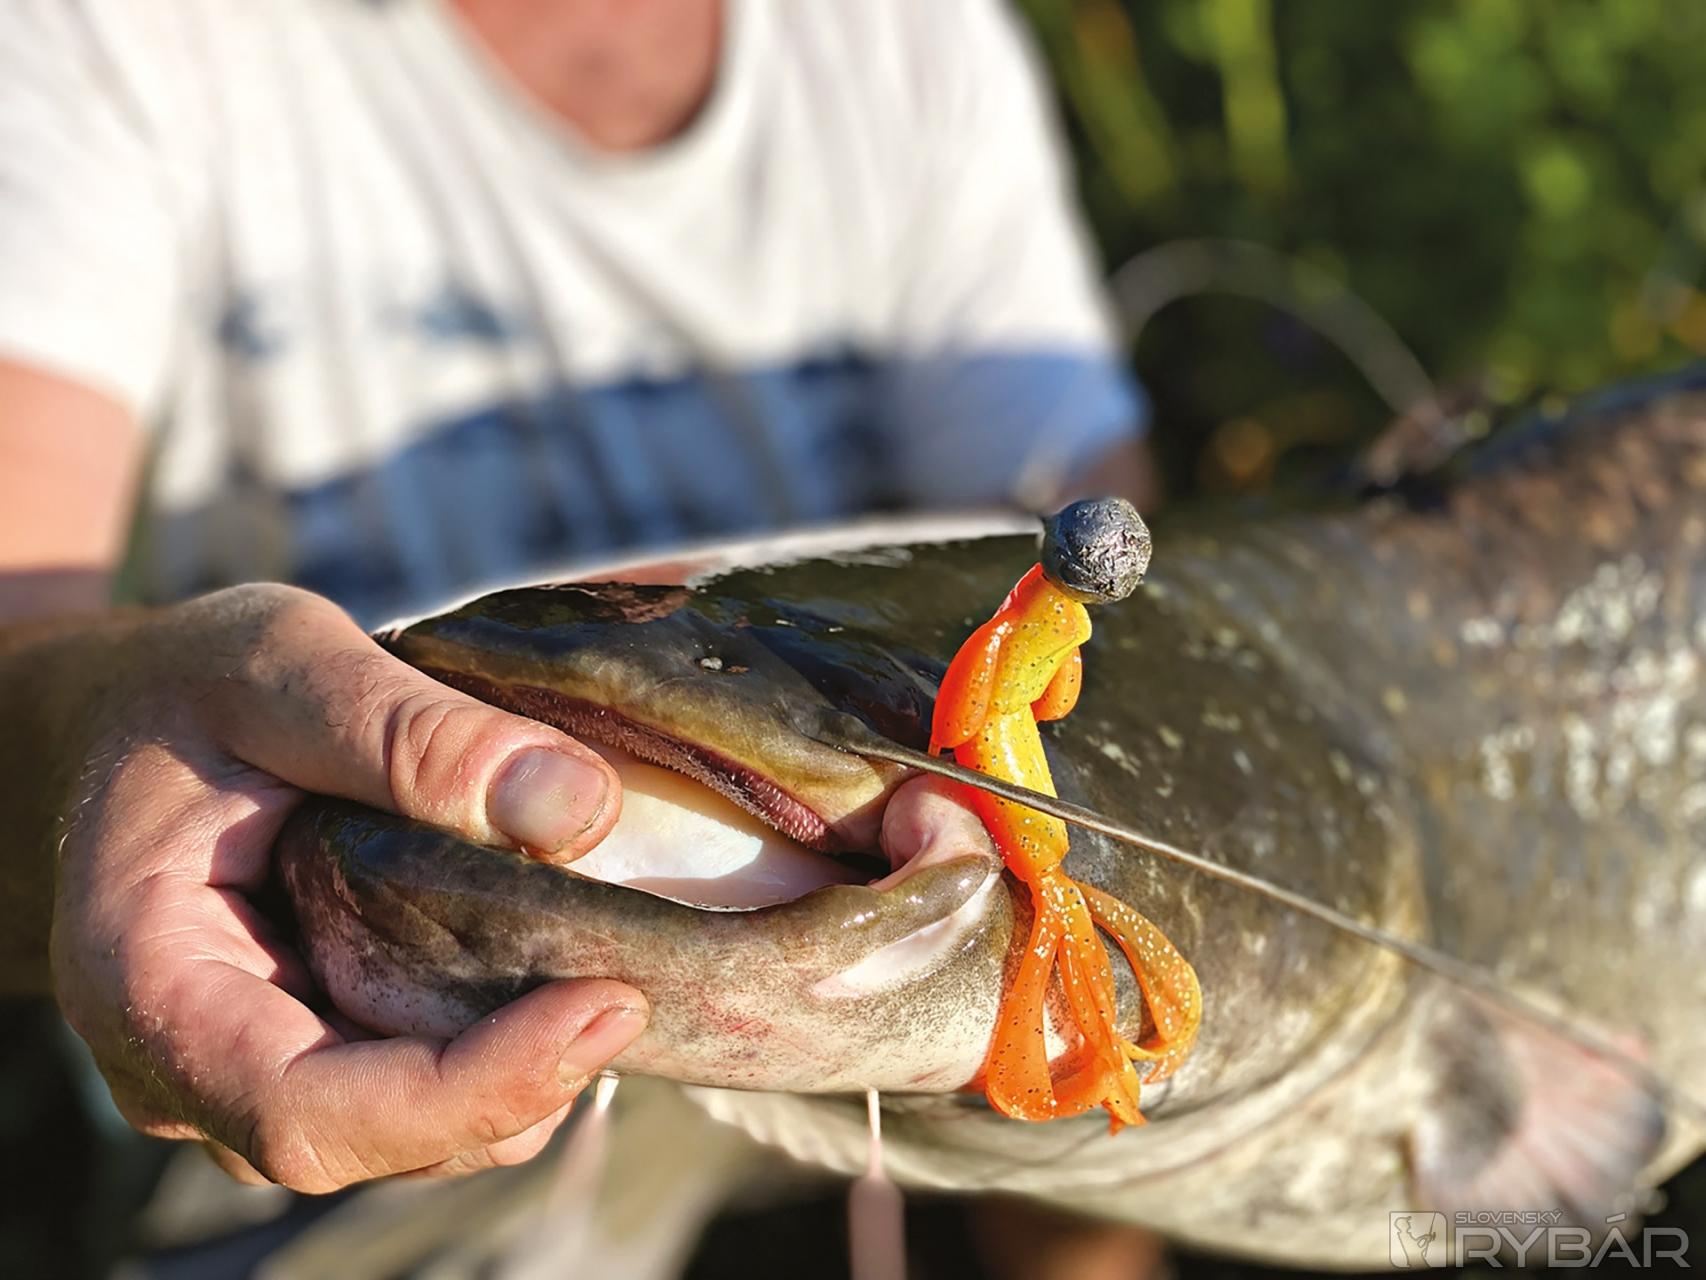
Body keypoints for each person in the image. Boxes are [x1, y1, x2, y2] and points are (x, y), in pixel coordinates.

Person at [0, 0, 1154, 1205]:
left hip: (902, 991)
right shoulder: (103, 33)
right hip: (340, 1060)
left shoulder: (909, 39)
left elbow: (1092, 671)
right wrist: (98, 749)